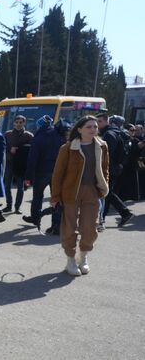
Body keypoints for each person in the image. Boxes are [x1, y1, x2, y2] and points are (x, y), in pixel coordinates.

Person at [51, 116, 109, 276]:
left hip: (92, 191)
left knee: (90, 228)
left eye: (95, 127)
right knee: (69, 227)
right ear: (79, 129)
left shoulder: (102, 146)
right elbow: (58, 174)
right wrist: (55, 197)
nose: (93, 129)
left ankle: (83, 257)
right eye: (89, 127)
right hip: (70, 192)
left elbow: (105, 170)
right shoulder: (68, 148)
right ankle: (70, 259)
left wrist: (103, 189)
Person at [23, 116, 66, 234]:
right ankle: (56, 225)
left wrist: (28, 177)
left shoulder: (38, 137)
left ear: (39, 125)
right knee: (56, 198)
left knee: (37, 197)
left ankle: (36, 218)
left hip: (41, 171)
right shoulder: (60, 136)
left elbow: (32, 159)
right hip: (58, 171)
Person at [97, 113, 133, 227]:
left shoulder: (109, 134)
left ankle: (124, 213)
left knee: (107, 193)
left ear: (107, 121)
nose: (98, 124)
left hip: (109, 168)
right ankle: (103, 218)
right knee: (107, 193)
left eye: (100, 121)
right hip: (115, 167)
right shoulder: (116, 132)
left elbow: (107, 154)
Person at [3, 115, 33, 214]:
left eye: (21, 122)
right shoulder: (8, 134)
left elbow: (33, 148)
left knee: (20, 187)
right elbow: (2, 146)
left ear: (24, 123)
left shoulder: (28, 135)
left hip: (21, 164)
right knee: (7, 185)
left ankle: (17, 207)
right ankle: (8, 205)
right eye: (17, 122)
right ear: (14, 123)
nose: (19, 124)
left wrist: (21, 148)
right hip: (9, 162)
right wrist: (9, 149)